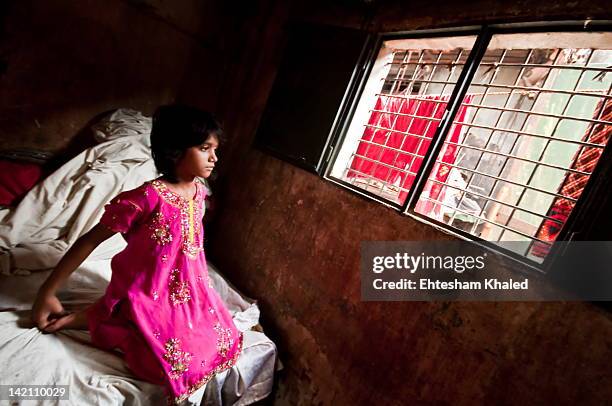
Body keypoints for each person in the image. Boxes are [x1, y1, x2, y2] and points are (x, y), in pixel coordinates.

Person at [31, 104, 243, 404]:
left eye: (215, 149)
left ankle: (101, 317)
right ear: (176, 149)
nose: (214, 157)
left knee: (225, 342)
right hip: (148, 293)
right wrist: (46, 292)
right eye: (204, 148)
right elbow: (89, 241)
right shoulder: (146, 197)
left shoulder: (198, 191)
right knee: (169, 365)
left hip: (189, 292)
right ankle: (101, 318)